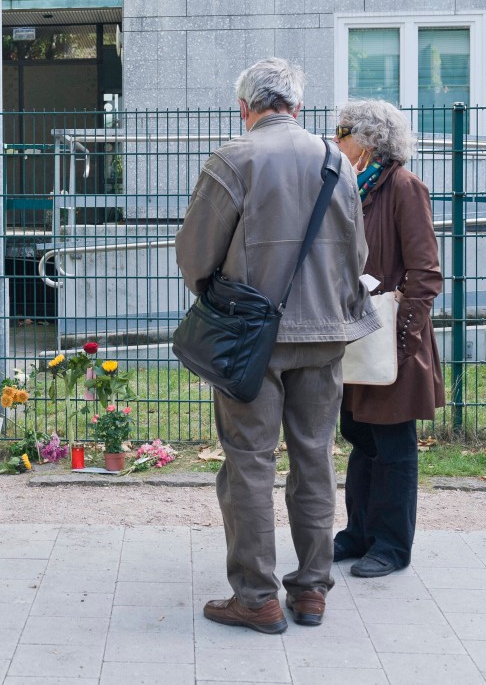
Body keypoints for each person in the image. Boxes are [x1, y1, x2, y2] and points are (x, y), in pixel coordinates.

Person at [176, 58, 379, 634]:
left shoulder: (233, 159)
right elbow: (356, 255)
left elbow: (194, 257)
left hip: (250, 343)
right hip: (324, 336)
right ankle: (312, 591)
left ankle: (257, 597)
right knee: (314, 460)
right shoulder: (335, 161)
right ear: (297, 106)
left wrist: (222, 296)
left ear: (245, 107)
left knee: (249, 464)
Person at [331, 99, 445, 578]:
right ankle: (359, 533)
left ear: (368, 140)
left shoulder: (403, 187)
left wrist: (402, 340)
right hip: (358, 337)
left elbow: (426, 273)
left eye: (343, 131)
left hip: (394, 342)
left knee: (393, 445)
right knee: (360, 436)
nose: (335, 139)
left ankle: (392, 546)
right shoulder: (353, 188)